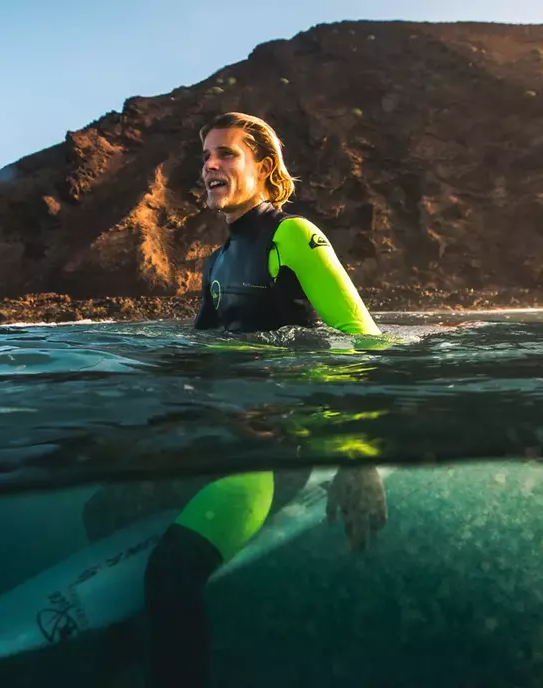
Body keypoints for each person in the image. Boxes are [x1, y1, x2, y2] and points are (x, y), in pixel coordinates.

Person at [92, 112, 389, 688]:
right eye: (206, 156)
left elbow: (364, 342)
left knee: (171, 577)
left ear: (265, 168)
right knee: (99, 509)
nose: (209, 165)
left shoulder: (293, 236)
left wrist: (359, 456)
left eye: (226, 154)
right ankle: (120, 642)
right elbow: (198, 356)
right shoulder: (218, 263)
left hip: (272, 454)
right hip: (219, 435)